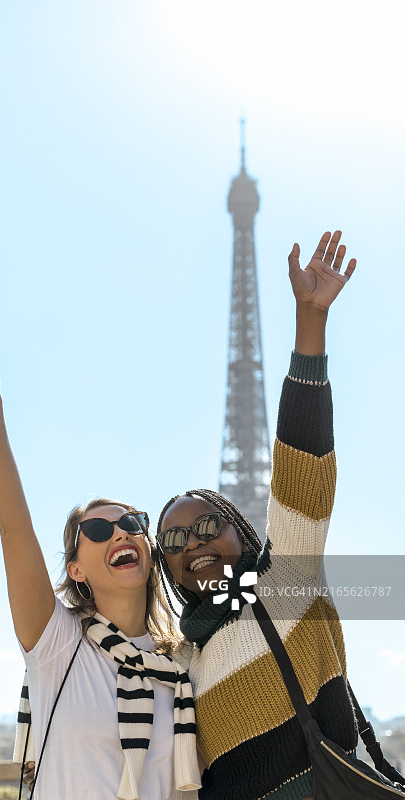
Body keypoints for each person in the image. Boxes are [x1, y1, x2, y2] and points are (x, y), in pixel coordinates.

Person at [0, 347, 201, 799]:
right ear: (75, 569)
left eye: (131, 524)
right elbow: (14, 531)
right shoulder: (58, 643)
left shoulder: (182, 666)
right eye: (97, 530)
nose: (119, 535)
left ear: (148, 547)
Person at [155, 231, 357, 800]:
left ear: (240, 531)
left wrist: (309, 323)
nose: (192, 544)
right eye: (173, 541)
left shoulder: (286, 582)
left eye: (204, 528)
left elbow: (302, 464)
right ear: (167, 569)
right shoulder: (182, 660)